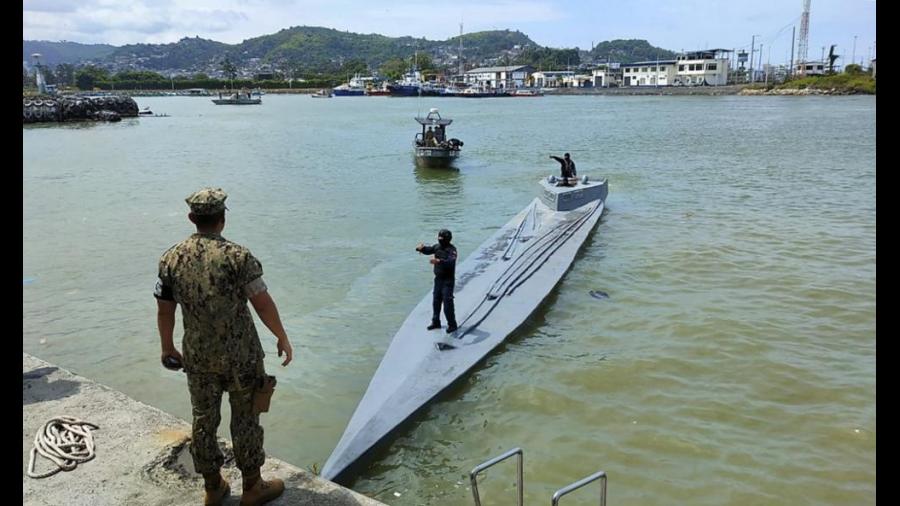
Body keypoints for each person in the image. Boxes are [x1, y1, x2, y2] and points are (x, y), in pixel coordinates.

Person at [154, 187, 294, 506]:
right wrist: (282, 337)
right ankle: (252, 487)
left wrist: (167, 347)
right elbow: (261, 303)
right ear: (222, 220)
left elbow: (165, 309)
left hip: (198, 356)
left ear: (192, 219)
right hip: (241, 356)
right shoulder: (238, 257)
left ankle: (213, 487)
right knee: (245, 417)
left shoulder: (170, 258)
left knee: (204, 418)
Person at [415, 229, 459, 334]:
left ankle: (452, 325)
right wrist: (420, 249)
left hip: (448, 281)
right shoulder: (437, 247)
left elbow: (450, 261)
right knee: (436, 301)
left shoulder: (452, 250)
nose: (440, 241)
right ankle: (436, 322)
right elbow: (429, 250)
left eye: (441, 239)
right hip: (438, 279)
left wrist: (439, 261)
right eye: (439, 238)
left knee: (447, 303)